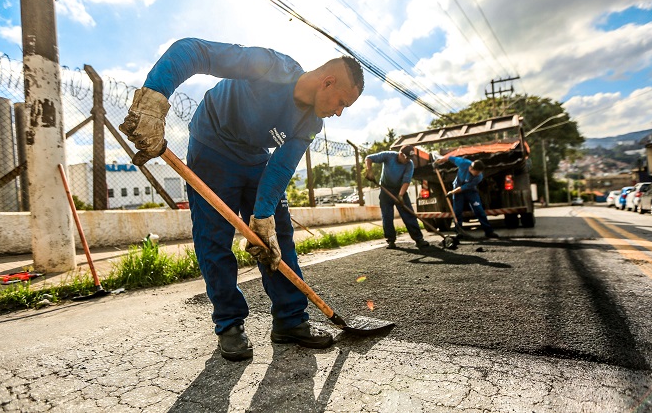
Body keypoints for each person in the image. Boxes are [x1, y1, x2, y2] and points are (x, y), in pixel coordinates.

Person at [119, 38, 364, 361]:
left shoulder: (311, 122)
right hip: (213, 146)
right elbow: (193, 51)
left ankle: (290, 320)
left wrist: (263, 217)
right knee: (214, 238)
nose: (339, 112)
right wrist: (153, 100)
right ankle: (229, 324)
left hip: (254, 157)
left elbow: (280, 168)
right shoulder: (270, 67)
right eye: (341, 102)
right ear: (327, 82)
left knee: (278, 235)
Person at [364, 145, 430, 250]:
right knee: (387, 216)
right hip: (386, 190)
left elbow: (406, 181)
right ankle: (390, 240)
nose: (408, 160)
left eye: (409, 158)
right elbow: (369, 158)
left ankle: (418, 239)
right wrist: (369, 170)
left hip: (400, 190)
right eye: (406, 157)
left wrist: (400, 195)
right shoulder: (388, 156)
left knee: (408, 214)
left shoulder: (409, 164)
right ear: (400, 154)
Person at [433, 155, 499, 239]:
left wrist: (451, 192)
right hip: (457, 188)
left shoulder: (479, 177)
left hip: (470, 191)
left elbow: (463, 188)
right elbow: (449, 158)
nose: (478, 174)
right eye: (477, 172)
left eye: (480, 172)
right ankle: (459, 232)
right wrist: (438, 162)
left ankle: (489, 231)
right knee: (457, 211)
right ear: (471, 168)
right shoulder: (463, 163)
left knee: (479, 209)